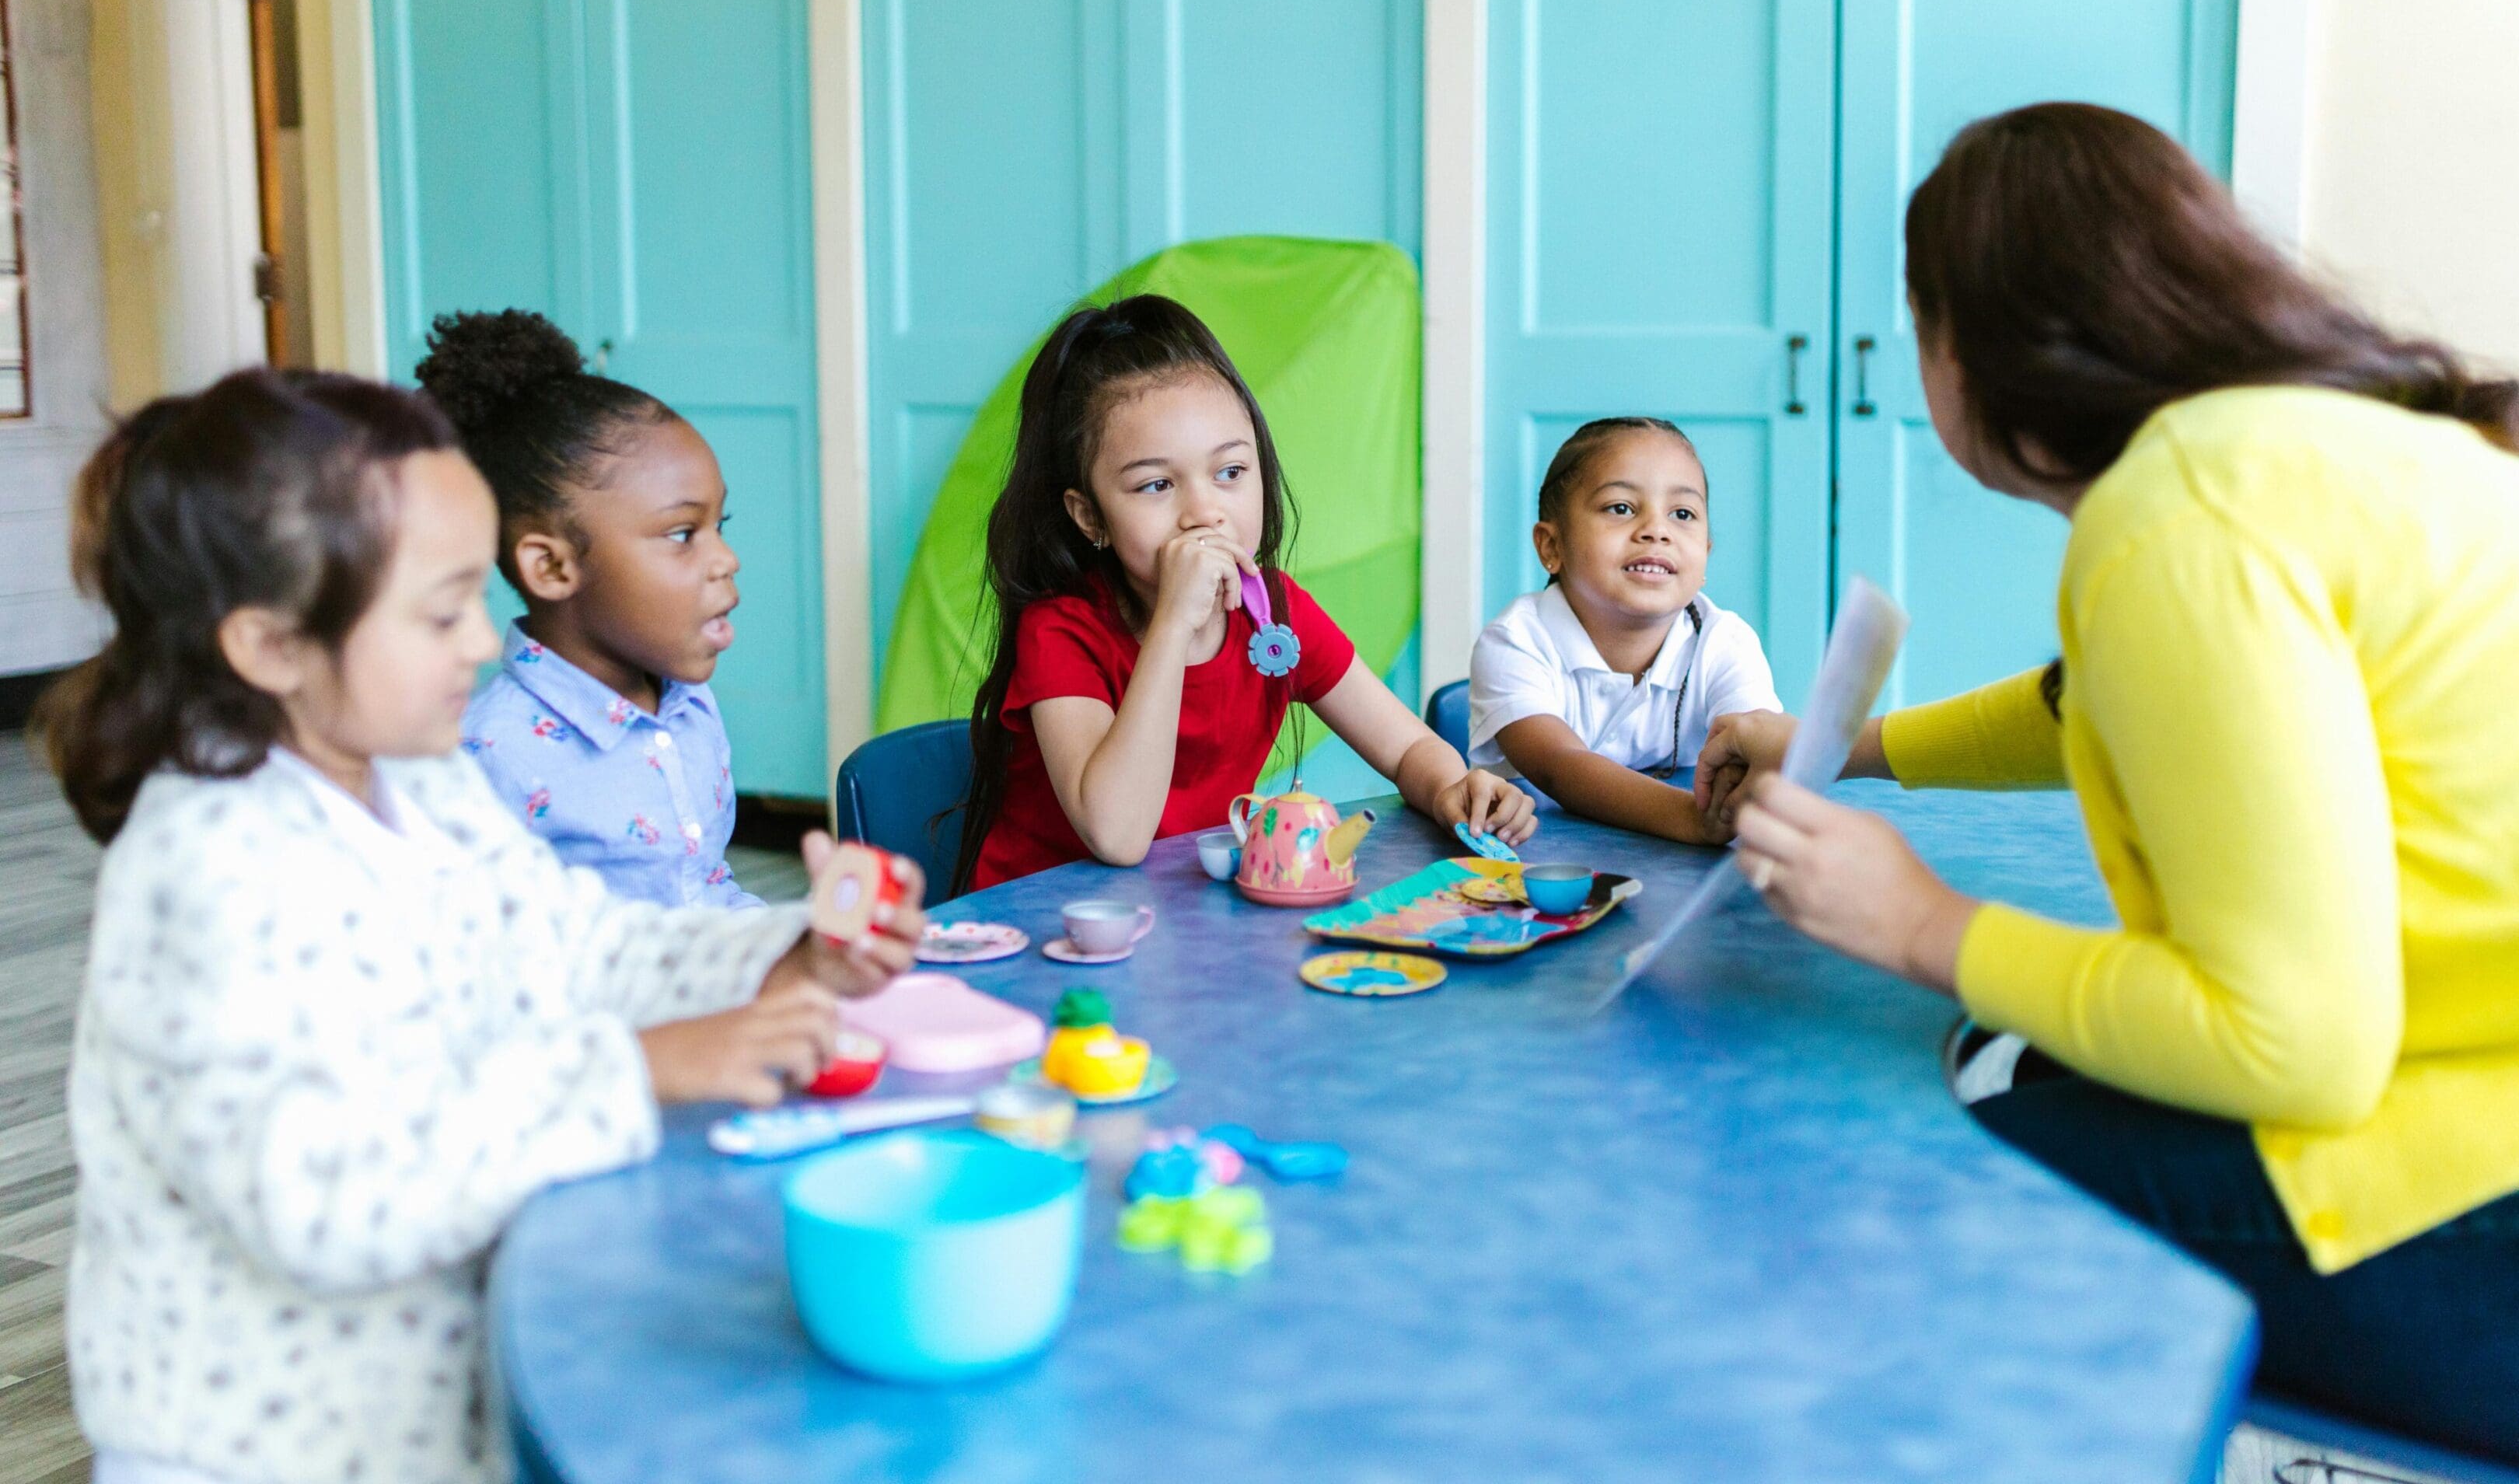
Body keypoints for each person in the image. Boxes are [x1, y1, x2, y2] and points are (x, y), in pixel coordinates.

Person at [1697, 103, 2519, 1458]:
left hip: (2469, 1200)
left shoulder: (2175, 515)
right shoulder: (2312, 449)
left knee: (1880, 1175)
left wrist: (1920, 926)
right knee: (2025, 1073)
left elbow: (2293, 1044)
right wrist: (1855, 745)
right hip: (2474, 1100)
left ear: (1966, 343)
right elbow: (2107, 701)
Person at [39, 369, 917, 1484]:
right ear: (268, 645)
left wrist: (784, 952)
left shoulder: (426, 781)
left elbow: (584, 947)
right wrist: (638, 1073)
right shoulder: (205, 871)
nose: (487, 646)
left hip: (435, 1416)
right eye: (440, 611)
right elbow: (320, 1195)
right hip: (255, 1452)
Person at [957, 295, 1535, 892]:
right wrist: (1174, 624)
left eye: (1230, 472)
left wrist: (1455, 789)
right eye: (1156, 485)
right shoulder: (1061, 632)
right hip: (1042, 930)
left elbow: (1408, 746)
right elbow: (1118, 835)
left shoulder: (1277, 614)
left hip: (1179, 922)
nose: (1205, 512)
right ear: (1090, 518)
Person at [416, 310, 754, 908]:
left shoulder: (689, 707)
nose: (725, 559)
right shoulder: (487, 758)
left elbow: (706, 888)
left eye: (718, 526)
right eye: (682, 534)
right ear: (551, 569)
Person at [1469, 415, 1778, 841]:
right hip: (1541, 876)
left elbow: (1752, 745)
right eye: (1621, 508)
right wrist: (1694, 820)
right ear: (1551, 546)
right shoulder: (1515, 642)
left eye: (1682, 513)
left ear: (1705, 555)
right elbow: (1561, 765)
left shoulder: (1727, 642)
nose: (1656, 531)